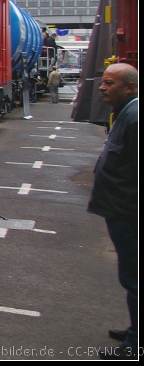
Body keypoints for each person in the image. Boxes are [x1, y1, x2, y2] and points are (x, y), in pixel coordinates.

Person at [88, 63, 138, 359]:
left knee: (135, 277)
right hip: (121, 210)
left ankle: (135, 344)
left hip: (129, 212)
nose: (102, 88)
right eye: (103, 83)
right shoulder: (126, 113)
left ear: (129, 87)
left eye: (110, 83)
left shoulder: (134, 117)